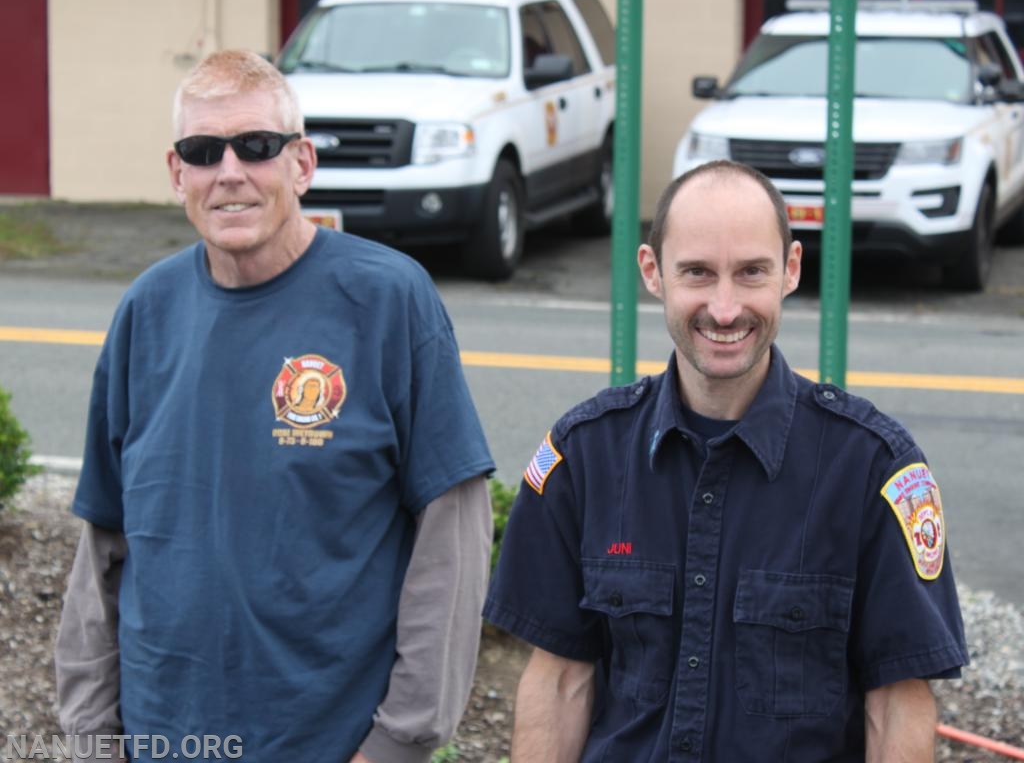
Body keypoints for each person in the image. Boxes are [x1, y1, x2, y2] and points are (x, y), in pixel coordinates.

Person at [55, 49, 495, 763]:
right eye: (203, 151)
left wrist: (399, 743)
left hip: (330, 742)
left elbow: (453, 535)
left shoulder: (388, 300)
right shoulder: (147, 311)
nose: (230, 171)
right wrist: (92, 738)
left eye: (256, 146)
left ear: (301, 163)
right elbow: (103, 548)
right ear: (177, 174)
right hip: (160, 737)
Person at [484, 160, 968, 762]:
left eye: (750, 273)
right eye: (697, 273)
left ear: (790, 269)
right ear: (652, 271)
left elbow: (896, 703)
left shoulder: (872, 468)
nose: (723, 307)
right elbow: (558, 682)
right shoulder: (583, 455)